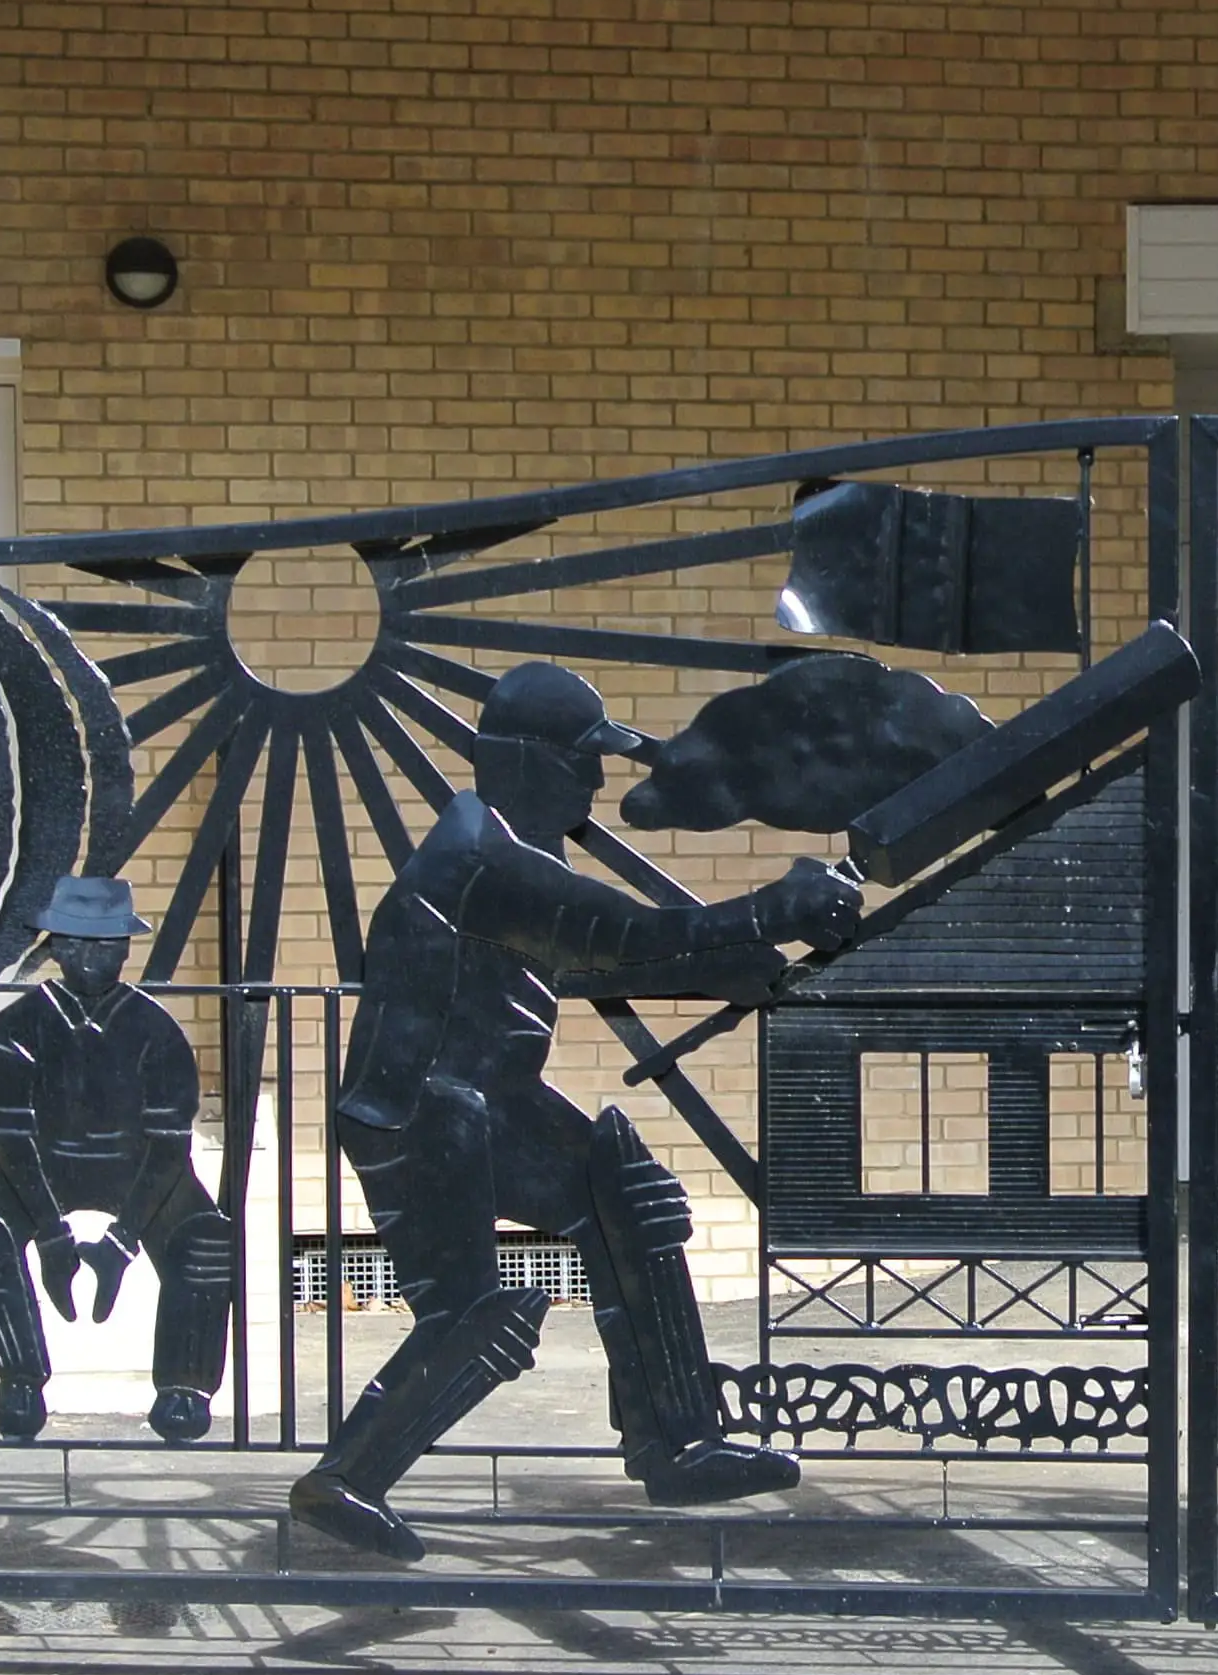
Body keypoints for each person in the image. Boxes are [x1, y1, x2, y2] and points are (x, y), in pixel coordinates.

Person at [288, 661, 864, 1562]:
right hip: (421, 1112)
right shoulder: (479, 854)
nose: (596, 783)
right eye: (580, 761)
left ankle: (676, 1444)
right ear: (517, 760)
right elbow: (619, 933)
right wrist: (769, 909)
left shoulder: (517, 853)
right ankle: (345, 1479)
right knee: (477, 1317)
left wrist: (732, 959)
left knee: (629, 1198)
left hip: (492, 1099)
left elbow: (595, 962)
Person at [0, 874, 237, 1444]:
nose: (89, 958)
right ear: (54, 947)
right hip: (40, 1162)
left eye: (106, 944)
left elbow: (168, 1145)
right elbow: (8, 1134)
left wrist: (123, 1240)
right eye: (74, 943)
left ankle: (184, 1386)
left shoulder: (157, 1030)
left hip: (135, 1165)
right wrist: (53, 1234)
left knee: (204, 1238)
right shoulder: (16, 1027)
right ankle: (19, 1378)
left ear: (127, 948)